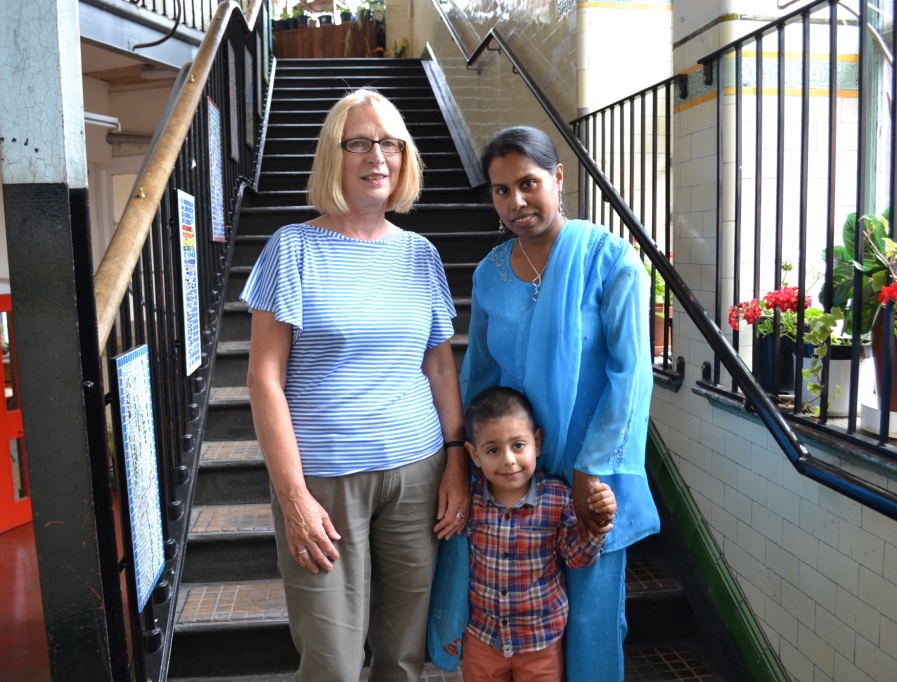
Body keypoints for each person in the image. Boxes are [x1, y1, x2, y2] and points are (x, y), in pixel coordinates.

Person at [241, 88, 470, 682]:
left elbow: (439, 366)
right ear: (333, 156)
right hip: (324, 482)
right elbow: (264, 379)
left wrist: (455, 461)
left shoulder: (421, 255)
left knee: (402, 656)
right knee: (333, 664)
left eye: (391, 143)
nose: (378, 156)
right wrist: (293, 499)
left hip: (417, 472)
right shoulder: (292, 248)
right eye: (360, 143)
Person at [459, 125, 661, 680]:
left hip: (585, 477)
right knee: (516, 618)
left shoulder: (609, 260)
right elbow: (478, 376)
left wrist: (589, 470)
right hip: (511, 473)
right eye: (500, 190)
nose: (516, 202)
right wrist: (470, 459)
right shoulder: (490, 273)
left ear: (558, 177)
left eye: (528, 183)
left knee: (592, 625)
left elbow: (631, 374)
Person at [462, 386, 616, 681]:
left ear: (537, 442)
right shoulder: (470, 502)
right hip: (482, 637)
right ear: (474, 454)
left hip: (540, 641)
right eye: (493, 450)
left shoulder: (557, 497)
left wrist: (597, 521)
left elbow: (576, 558)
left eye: (518, 445)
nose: (508, 459)